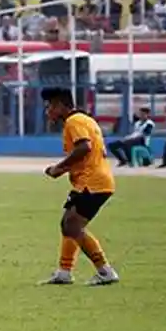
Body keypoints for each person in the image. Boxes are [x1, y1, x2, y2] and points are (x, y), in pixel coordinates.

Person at [39, 87, 120, 286]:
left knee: (72, 225)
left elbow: (84, 147)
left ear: (60, 105)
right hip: (91, 181)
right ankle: (64, 272)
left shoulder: (73, 121)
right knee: (68, 225)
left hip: (92, 183)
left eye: (49, 106)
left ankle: (105, 271)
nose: (47, 111)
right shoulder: (84, 119)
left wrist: (59, 167)